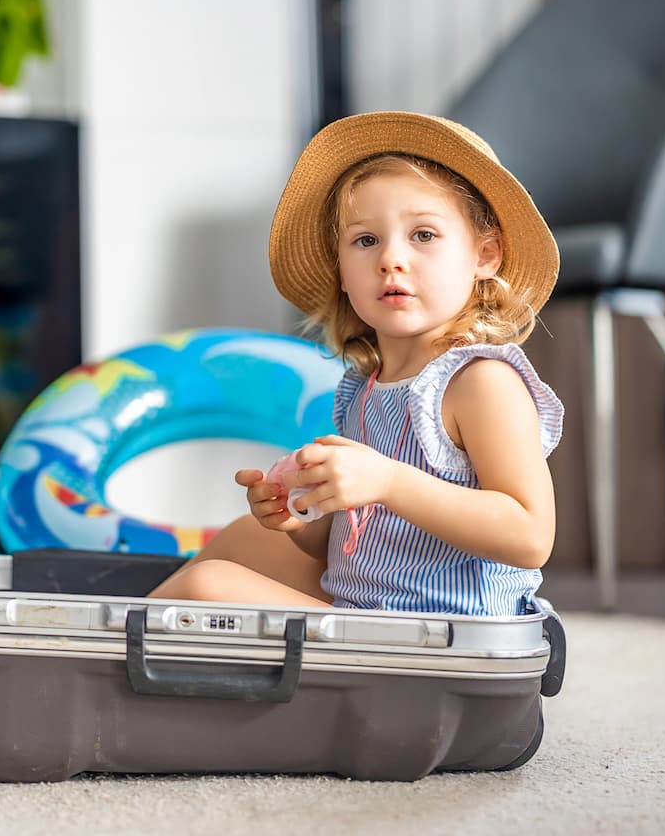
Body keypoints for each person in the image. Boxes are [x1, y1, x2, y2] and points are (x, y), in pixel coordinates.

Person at [149, 111, 563, 616]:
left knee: (207, 587)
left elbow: (530, 534)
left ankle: (96, 663)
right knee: (244, 538)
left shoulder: (479, 382)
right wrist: (301, 517)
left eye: (424, 235)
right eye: (366, 240)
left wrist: (389, 481)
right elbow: (356, 542)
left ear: (485, 255)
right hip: (374, 604)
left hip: (446, 631)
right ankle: (125, 647)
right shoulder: (364, 389)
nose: (392, 259)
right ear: (342, 272)